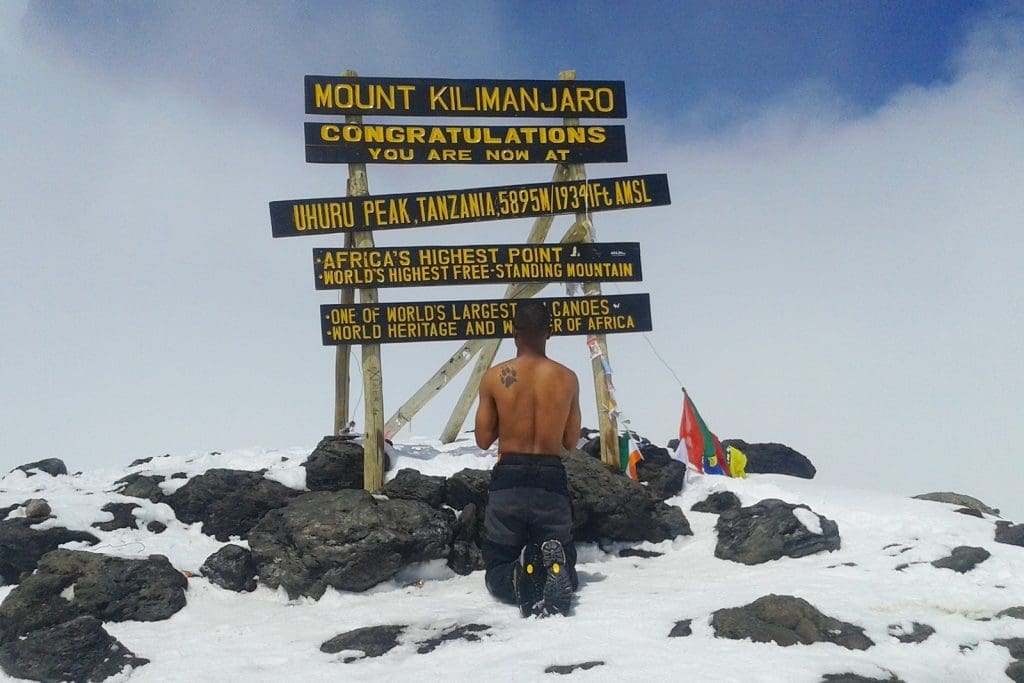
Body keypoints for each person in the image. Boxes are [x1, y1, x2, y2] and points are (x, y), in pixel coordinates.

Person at [474, 300, 581, 616]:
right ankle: (557, 570)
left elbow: (482, 440)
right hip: (550, 477)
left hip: (510, 477)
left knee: (497, 562)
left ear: (513, 333)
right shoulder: (568, 378)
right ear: (550, 333)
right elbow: (571, 442)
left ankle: (516, 575)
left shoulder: (495, 376)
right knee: (563, 555)